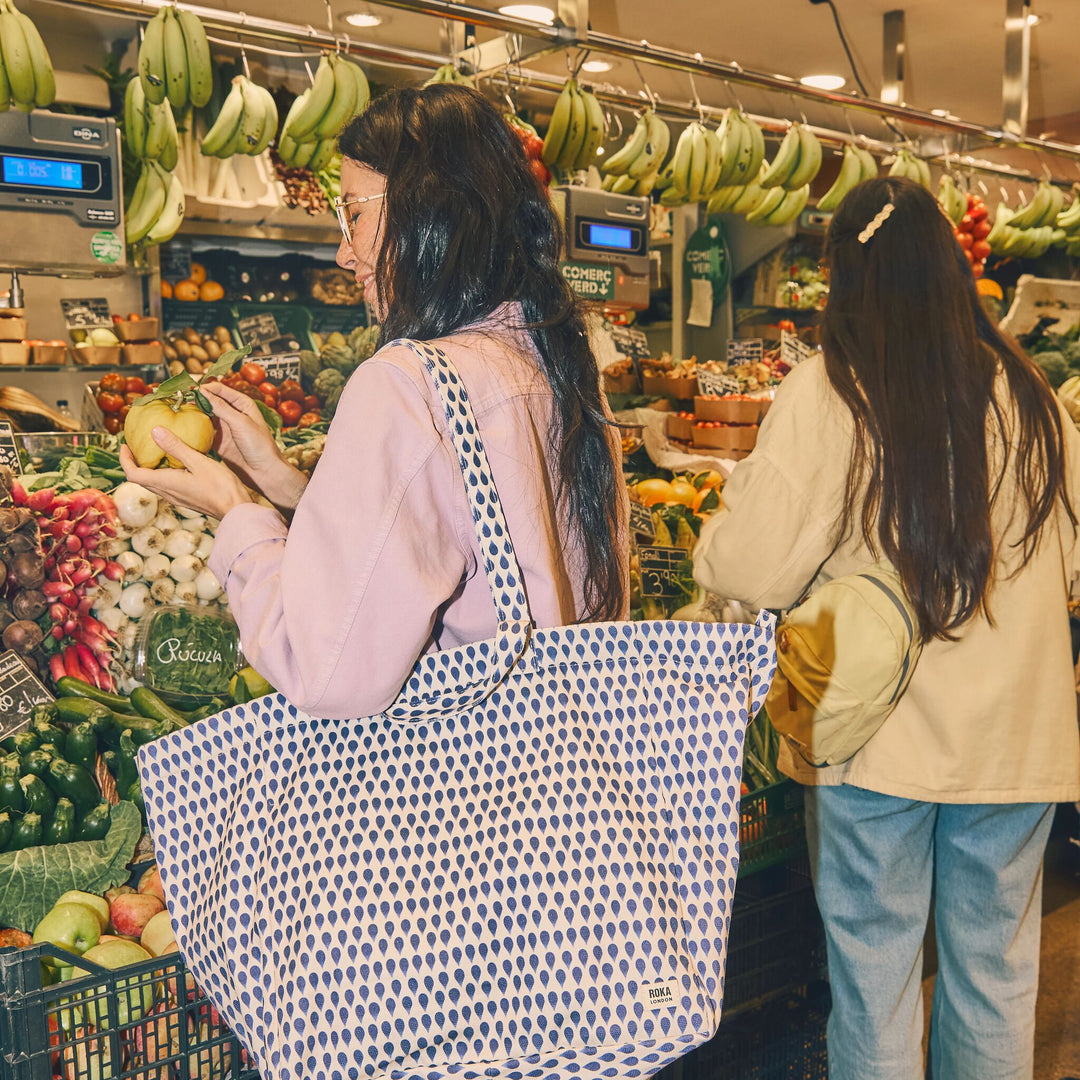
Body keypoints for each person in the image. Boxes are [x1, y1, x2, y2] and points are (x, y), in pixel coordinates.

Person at [693, 176, 1080, 1080]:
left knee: (875, 977)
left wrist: (720, 533)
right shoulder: (1031, 396)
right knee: (996, 972)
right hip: (1015, 740)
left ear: (847, 279)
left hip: (877, 746)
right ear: (950, 270)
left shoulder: (834, 392)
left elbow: (749, 567)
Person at [121, 84, 628, 719]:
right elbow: (447, 531)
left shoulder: (407, 382)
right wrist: (277, 480)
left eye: (354, 216)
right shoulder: (555, 362)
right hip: (551, 747)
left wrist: (237, 512)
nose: (344, 252)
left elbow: (327, 675)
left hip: (450, 771)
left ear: (426, 215)